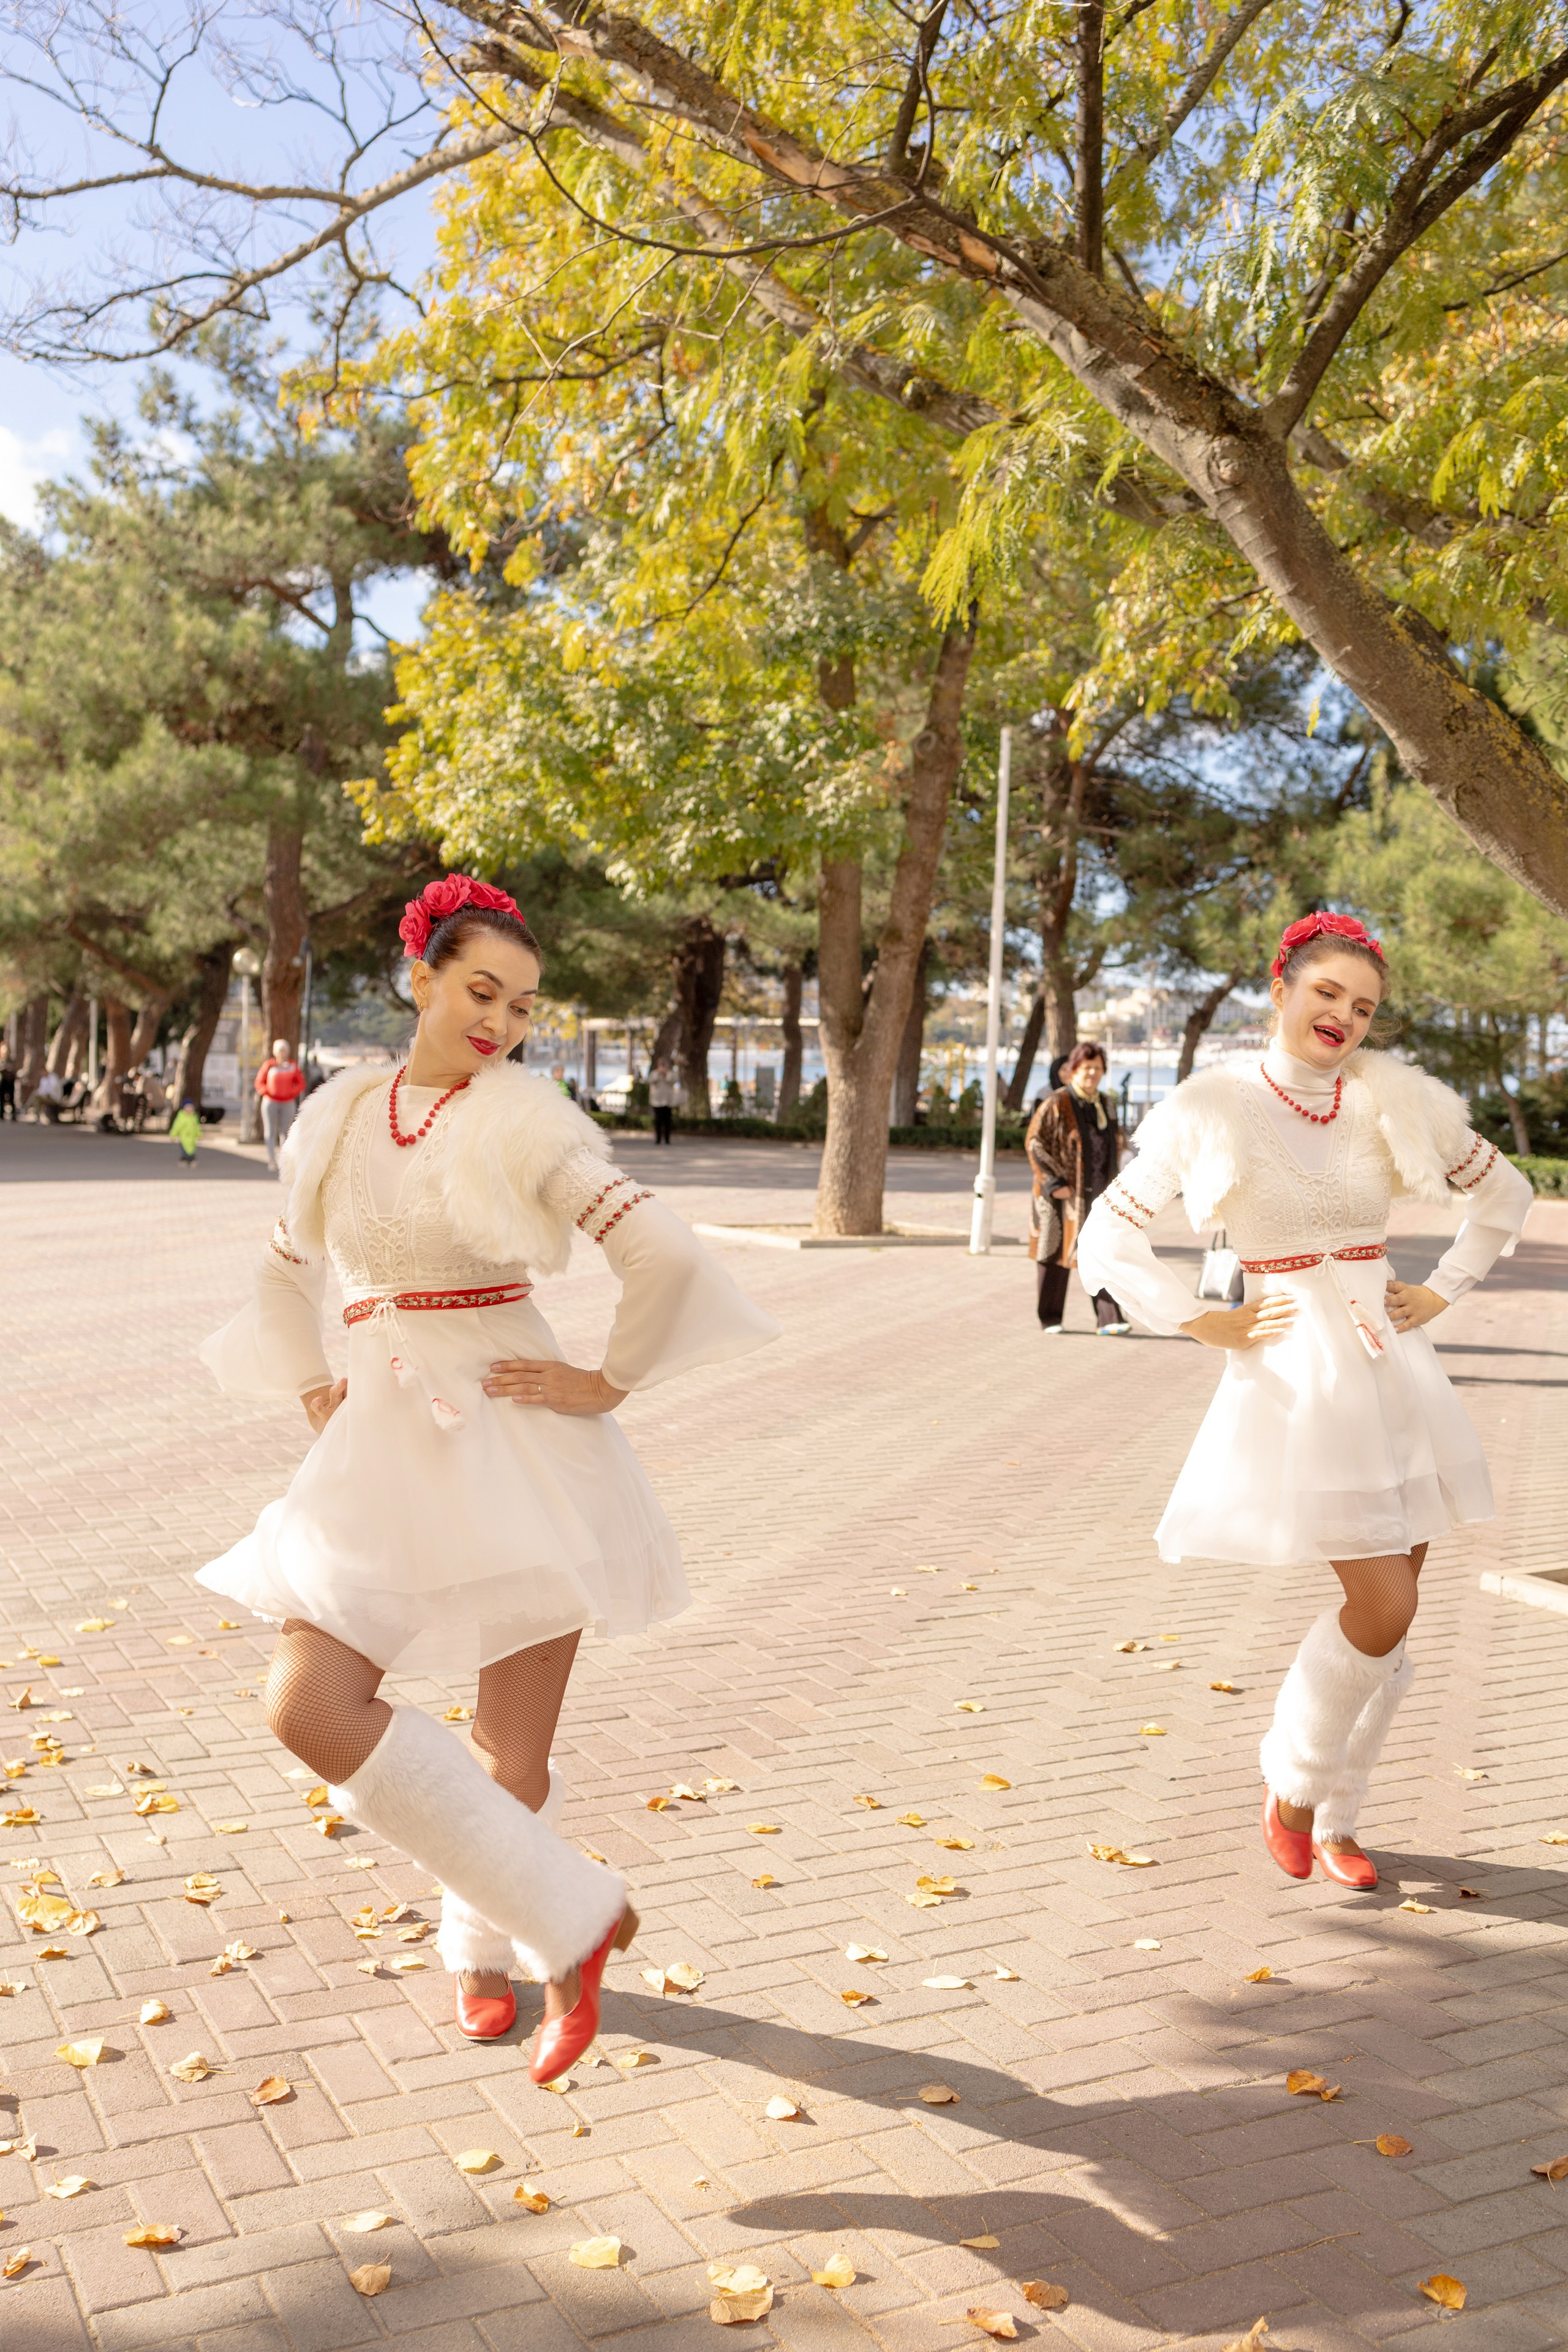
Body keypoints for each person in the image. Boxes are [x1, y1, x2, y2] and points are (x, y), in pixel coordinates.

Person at [194, 873, 778, 2076]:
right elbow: (275, 1275)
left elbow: (658, 1253)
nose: (501, 1023)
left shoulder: (527, 1120)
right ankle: (574, 1911)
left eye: (520, 1005)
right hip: (376, 1451)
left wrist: (608, 1382)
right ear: (420, 978)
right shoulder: (345, 1115)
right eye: (478, 991)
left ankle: (485, 1947)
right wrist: (312, 1382)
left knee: (509, 1750)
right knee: (305, 1705)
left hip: (521, 1443)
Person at [1079, 912, 1533, 1891]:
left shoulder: (1390, 1100)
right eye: (1327, 992)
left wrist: (1446, 1287)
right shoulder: (1210, 1107)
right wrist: (1201, 1323)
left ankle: (1337, 1822)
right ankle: (1291, 1784)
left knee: (1394, 1616)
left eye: (1364, 1007)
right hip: (1298, 1372)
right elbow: (1106, 1238)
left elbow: (1508, 1194)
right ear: (1281, 986)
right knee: (1384, 1599)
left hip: (1390, 1363)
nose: (1344, 1017)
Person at [1025, 1042, 1129, 1333]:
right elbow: (1035, 1142)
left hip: (1097, 1193)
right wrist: (1055, 1183)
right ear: (1073, 1070)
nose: (1092, 1074)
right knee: (1055, 1254)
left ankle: (1110, 1319)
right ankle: (1050, 1318)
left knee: (1101, 1253)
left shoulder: (1105, 1103)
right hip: (1061, 1196)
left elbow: (1115, 1141)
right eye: (1087, 1068)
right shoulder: (1057, 1103)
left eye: (1097, 1069)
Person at [255, 1039, 307, 1175]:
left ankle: (283, 1160)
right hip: (270, 1102)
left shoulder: (292, 1066)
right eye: (280, 1051)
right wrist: (267, 1092)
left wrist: (292, 1093)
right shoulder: (269, 1065)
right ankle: (271, 1159)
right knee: (270, 1131)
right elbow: (259, 1082)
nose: (282, 1054)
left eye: (284, 1051)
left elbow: (301, 1083)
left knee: (286, 1132)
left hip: (287, 1103)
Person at [648, 1057, 679, 1145]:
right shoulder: (654, 1073)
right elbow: (651, 1080)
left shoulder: (671, 1073)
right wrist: (659, 1072)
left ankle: (667, 1139)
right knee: (658, 1121)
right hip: (657, 1101)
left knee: (667, 1121)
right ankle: (658, 1139)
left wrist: (666, 1073)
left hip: (667, 1101)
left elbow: (674, 1080)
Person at [170, 1099, 203, 1169]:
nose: (189, 1109)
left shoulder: (194, 1117)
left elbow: (197, 1127)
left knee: (192, 1149)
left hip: (192, 1137)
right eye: (187, 1107)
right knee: (185, 1150)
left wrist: (199, 1135)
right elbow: (177, 1126)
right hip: (184, 1137)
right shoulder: (181, 1117)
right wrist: (173, 1134)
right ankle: (184, 1159)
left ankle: (192, 1160)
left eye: (191, 1107)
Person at [0, 1048, 16, 1122]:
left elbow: (14, 1070)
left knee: (12, 1099)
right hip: (4, 1081)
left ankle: (13, 1115)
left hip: (11, 1081)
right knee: (2, 1099)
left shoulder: (12, 1061)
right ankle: (2, 1114)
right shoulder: (2, 1061)